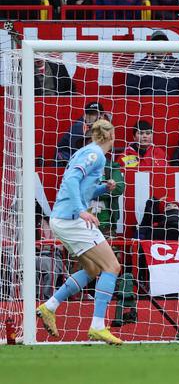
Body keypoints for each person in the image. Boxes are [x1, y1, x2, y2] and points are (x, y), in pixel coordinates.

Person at [36, 119, 123, 345]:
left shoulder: (86, 152)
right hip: (71, 218)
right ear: (111, 136)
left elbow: (80, 185)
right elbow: (73, 178)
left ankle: (50, 306)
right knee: (112, 266)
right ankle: (97, 326)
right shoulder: (96, 154)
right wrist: (81, 210)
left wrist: (103, 188)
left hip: (62, 218)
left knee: (93, 268)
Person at [125, 30, 179, 96]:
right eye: (158, 44)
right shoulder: (138, 67)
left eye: (163, 45)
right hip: (147, 106)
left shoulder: (177, 65)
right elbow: (131, 93)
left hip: (173, 106)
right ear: (151, 47)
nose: (161, 48)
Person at [55, 101, 107, 165]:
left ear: (102, 115)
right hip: (65, 163)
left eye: (94, 114)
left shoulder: (102, 127)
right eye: (89, 114)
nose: (90, 117)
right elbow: (78, 152)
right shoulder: (79, 127)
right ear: (85, 116)